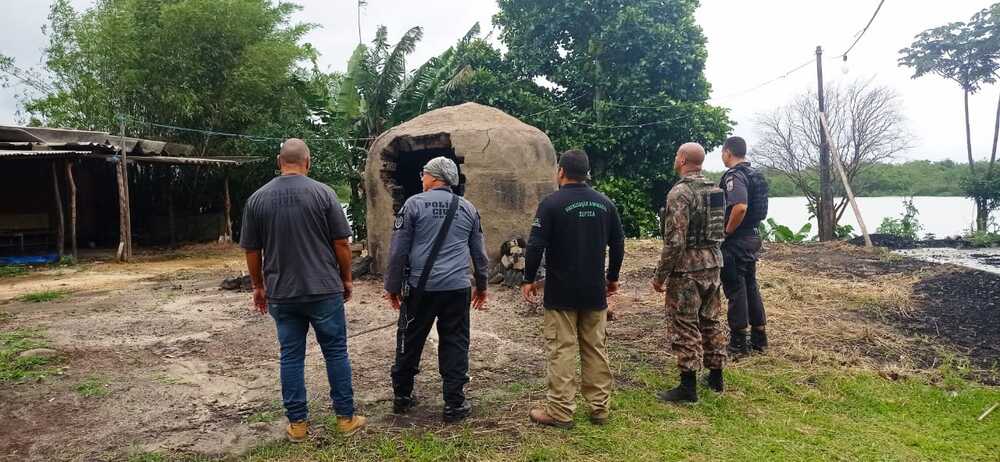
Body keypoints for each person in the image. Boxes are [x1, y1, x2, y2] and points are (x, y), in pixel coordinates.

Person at [240, 139, 366, 442]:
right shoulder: (324, 194)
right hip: (324, 289)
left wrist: (258, 286)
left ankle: (297, 424)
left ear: (279, 160)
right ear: (307, 162)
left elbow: (252, 251)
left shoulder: (257, 199)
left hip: (282, 293)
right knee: (335, 352)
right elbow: (341, 243)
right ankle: (346, 419)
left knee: (291, 357)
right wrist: (346, 279)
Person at [522, 149, 625, 428]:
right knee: (595, 348)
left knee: (562, 349)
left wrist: (528, 278)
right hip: (594, 291)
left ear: (561, 172)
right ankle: (599, 409)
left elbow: (535, 245)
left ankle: (560, 412)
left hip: (561, 293)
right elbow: (618, 245)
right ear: (587, 173)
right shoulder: (606, 204)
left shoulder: (551, 204)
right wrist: (612, 277)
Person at [383, 156, 489, 424]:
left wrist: (392, 287)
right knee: (455, 341)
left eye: (424, 174)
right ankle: (454, 403)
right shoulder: (468, 208)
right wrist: (482, 286)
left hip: (421, 288)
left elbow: (398, 252)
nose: (421, 178)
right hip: (457, 288)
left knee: (410, 339)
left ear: (434, 177)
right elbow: (479, 254)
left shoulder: (413, 205)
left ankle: (402, 397)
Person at [652, 142, 727, 404]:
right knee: (711, 319)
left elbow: (675, 240)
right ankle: (716, 377)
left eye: (676, 155)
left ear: (683, 159)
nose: (675, 159)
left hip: (688, 269)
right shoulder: (716, 188)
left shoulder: (680, 193)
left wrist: (661, 275)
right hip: (714, 263)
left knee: (684, 323)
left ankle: (688, 387)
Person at [718, 136, 769, 356]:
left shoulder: (735, 175)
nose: (722, 157)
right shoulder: (756, 175)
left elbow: (739, 206)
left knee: (735, 288)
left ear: (728, 152)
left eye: (722, 153)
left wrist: (726, 232)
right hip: (752, 236)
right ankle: (759, 338)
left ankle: (738, 343)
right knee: (750, 286)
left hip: (737, 240)